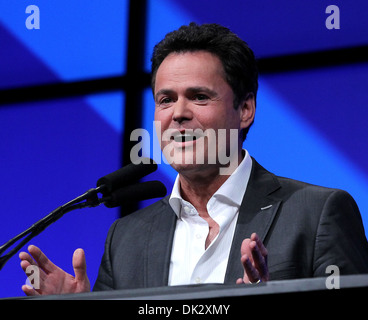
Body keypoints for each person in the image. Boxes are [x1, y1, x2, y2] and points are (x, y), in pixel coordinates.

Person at [19, 23, 368, 296]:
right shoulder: (125, 239)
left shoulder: (318, 213)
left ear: (245, 109)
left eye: (199, 97)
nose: (179, 114)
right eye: (165, 99)